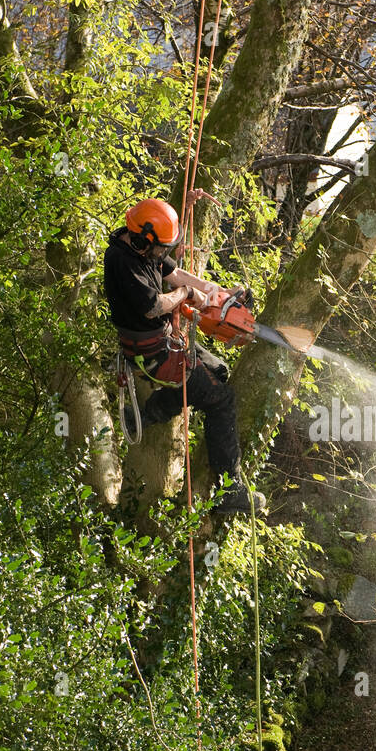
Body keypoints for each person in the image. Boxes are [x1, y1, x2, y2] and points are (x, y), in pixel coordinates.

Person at [103, 197, 264, 514]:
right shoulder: (122, 260)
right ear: (142, 239)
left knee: (217, 372)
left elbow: (176, 276)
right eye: (160, 248)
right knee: (222, 399)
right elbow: (154, 307)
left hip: (165, 340)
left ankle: (150, 412)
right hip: (154, 351)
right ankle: (228, 490)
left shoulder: (142, 246)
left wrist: (216, 293)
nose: (162, 253)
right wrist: (188, 296)